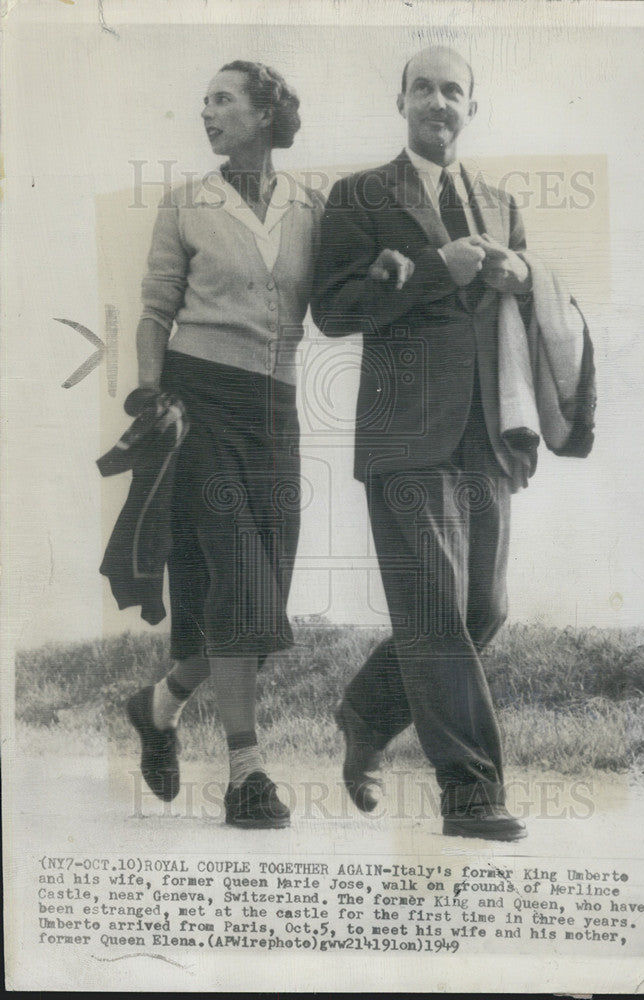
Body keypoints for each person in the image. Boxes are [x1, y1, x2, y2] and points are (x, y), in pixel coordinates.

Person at [311, 46, 594, 841]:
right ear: (399, 99)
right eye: (424, 89)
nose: (438, 103)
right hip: (403, 437)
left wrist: (522, 273)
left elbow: (531, 311)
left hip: (488, 433)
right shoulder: (359, 195)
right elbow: (330, 310)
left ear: (473, 107)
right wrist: (434, 268)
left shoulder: (501, 203)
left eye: (453, 92)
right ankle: (470, 792)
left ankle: (365, 711)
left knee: (482, 608)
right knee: (434, 610)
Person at [125, 60, 324, 829]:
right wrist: (152, 397)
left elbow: (337, 300)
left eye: (222, 99)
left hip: (273, 413)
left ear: (267, 112)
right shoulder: (184, 204)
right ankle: (247, 771)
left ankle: (157, 704)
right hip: (195, 405)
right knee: (239, 582)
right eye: (202, 99)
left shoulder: (313, 206)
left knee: (256, 600)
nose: (206, 112)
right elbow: (152, 313)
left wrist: (387, 266)